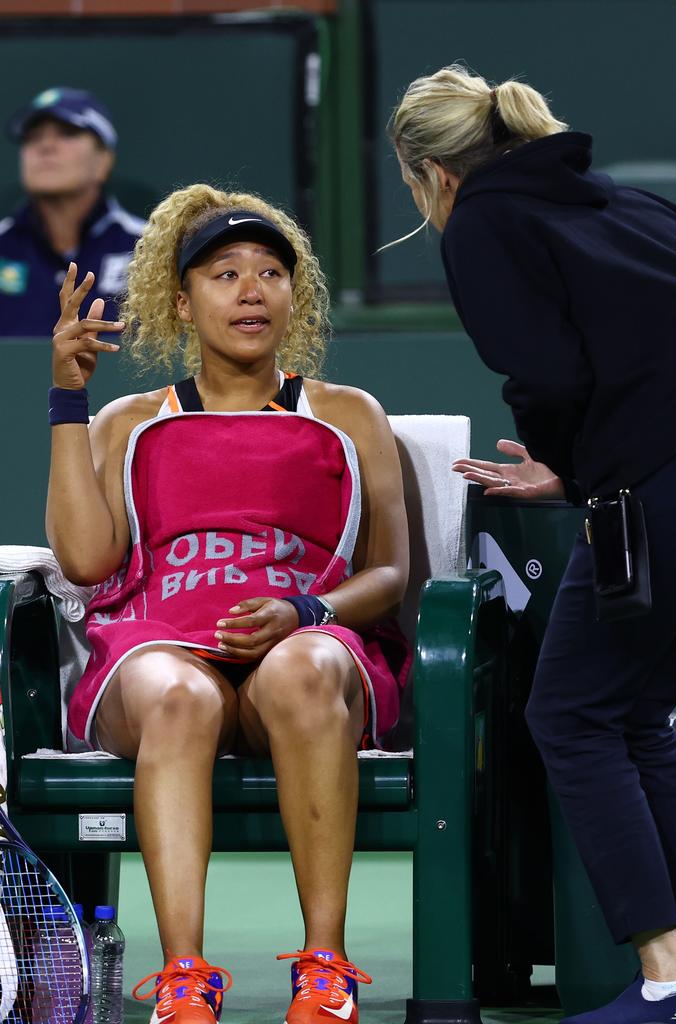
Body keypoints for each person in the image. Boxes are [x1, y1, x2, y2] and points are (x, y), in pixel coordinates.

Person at [389, 63, 676, 1024]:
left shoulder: (483, 221)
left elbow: (546, 373)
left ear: (431, 173)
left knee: (569, 714)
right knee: (636, 713)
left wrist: (573, 458)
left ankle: (666, 982)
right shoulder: (626, 200)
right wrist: (593, 464)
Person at [46, 183, 410, 1024]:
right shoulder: (130, 421)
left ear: (296, 294)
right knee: (180, 697)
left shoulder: (350, 416)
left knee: (306, 671)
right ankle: (184, 975)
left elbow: (391, 574)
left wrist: (307, 614)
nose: (252, 290)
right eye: (225, 274)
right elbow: (86, 559)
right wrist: (69, 402)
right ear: (180, 300)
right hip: (160, 656)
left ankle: (325, 966)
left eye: (272, 273)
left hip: (306, 649)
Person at [0, 87, 144, 336]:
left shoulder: (151, 248)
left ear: (104, 160)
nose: (45, 146)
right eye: (32, 137)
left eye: (67, 133)